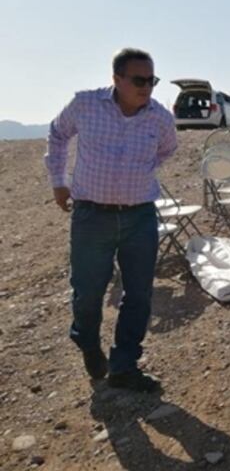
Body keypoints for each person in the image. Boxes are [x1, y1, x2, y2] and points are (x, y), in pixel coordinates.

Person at [45, 48, 177, 392]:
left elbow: (166, 150)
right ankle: (87, 340)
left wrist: (137, 173)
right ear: (116, 78)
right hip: (91, 216)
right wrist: (59, 181)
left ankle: (124, 366)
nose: (146, 87)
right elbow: (58, 134)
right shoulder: (86, 105)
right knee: (88, 292)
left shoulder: (160, 118)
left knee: (139, 294)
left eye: (151, 80)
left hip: (140, 218)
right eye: (138, 80)